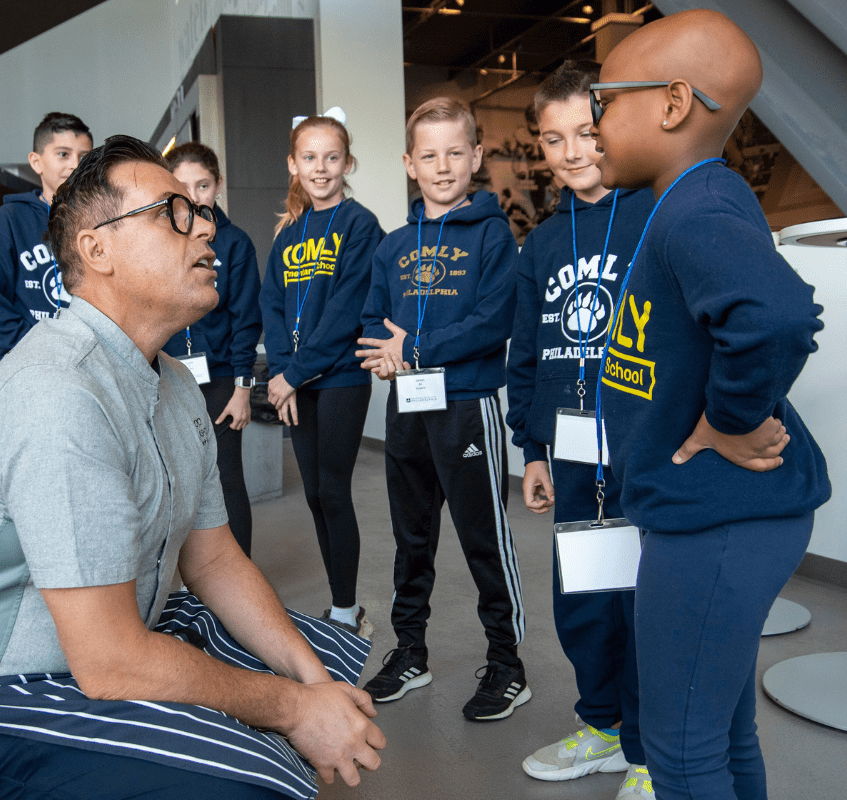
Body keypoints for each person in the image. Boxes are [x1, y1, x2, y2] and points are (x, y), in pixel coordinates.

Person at [0, 135, 385, 800]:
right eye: (172, 214)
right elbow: (109, 662)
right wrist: (294, 710)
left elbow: (213, 559)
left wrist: (313, 684)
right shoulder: (57, 393)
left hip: (103, 643)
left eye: (199, 211)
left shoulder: (175, 382)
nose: (205, 225)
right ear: (97, 250)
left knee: (321, 659)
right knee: (252, 779)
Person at [591, 10, 830, 799]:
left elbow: (779, 315)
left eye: (604, 102)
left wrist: (725, 422)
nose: (594, 124)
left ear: (671, 103)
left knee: (682, 752)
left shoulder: (697, 206)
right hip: (713, 514)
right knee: (723, 732)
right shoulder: (690, 200)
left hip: (718, 518)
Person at [504, 61, 656, 797]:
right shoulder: (538, 245)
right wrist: (529, 449)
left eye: (587, 133)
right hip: (569, 459)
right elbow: (528, 353)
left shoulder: (654, 213)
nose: (572, 152)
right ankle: (602, 727)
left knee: (645, 603)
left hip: (645, 452)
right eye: (554, 137)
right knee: (585, 601)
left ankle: (653, 751)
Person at [355, 97, 526, 721]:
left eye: (456, 152)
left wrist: (418, 347)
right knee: (411, 539)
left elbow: (495, 320)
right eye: (429, 155)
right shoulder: (393, 245)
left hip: (467, 407)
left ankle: (508, 665)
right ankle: (411, 653)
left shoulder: (492, 233)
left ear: (477, 156)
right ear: (409, 164)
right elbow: (372, 317)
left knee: (485, 540)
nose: (443, 165)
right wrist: (386, 353)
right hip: (407, 406)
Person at [259, 111, 384, 636]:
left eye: (331, 157)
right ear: (293, 164)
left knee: (332, 490)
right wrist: (285, 373)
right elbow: (274, 304)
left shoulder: (361, 225)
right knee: (312, 493)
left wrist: (295, 374)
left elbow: (345, 313)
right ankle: (343, 605)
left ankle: (345, 609)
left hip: (338, 380)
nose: (320, 168)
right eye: (309, 157)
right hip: (298, 381)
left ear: (347, 162)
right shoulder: (289, 232)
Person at [162, 142, 262, 555]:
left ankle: (240, 577)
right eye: (183, 186)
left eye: (202, 185)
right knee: (177, 477)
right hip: (169, 373)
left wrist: (243, 390)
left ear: (217, 186)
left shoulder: (235, 243)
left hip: (220, 377)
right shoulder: (162, 240)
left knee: (225, 475)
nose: (194, 195)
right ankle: (193, 582)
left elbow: (245, 320)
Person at [0, 112, 93, 358]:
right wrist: (41, 346)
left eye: (84, 157)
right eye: (63, 154)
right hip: (29, 363)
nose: (74, 165)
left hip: (90, 361)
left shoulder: (103, 220)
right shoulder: (9, 220)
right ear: (36, 162)